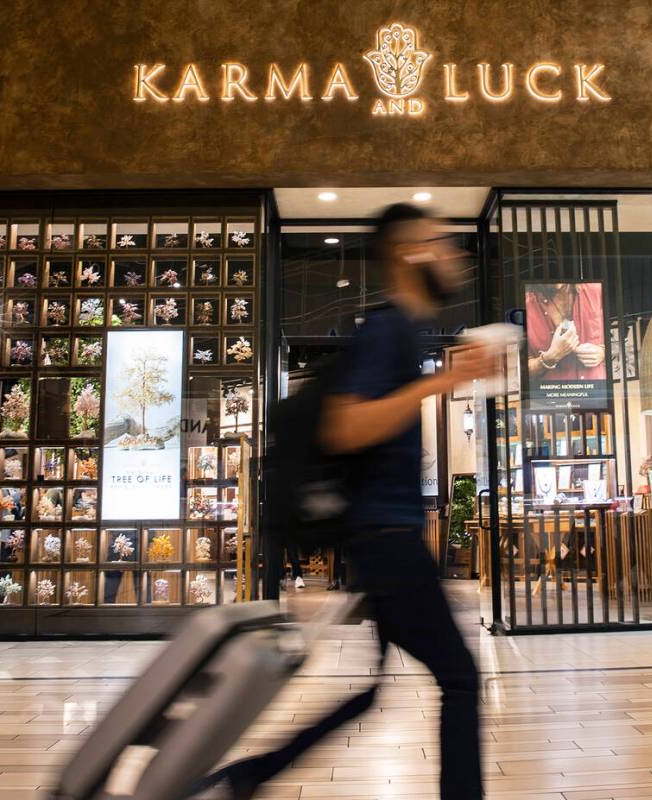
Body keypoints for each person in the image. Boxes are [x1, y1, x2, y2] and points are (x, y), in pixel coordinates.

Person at [194, 204, 498, 799]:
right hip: (386, 539)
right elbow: (345, 427)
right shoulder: (388, 330)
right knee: (459, 679)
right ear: (410, 251)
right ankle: (239, 781)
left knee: (385, 689)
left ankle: (242, 781)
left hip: (387, 539)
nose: (456, 255)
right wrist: (440, 382)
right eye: (442, 241)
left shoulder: (400, 332)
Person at [526, 282, 605, 380]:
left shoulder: (596, 289)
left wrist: (603, 352)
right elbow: (520, 371)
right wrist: (549, 358)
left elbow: (613, 339)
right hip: (551, 393)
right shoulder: (525, 307)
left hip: (595, 390)